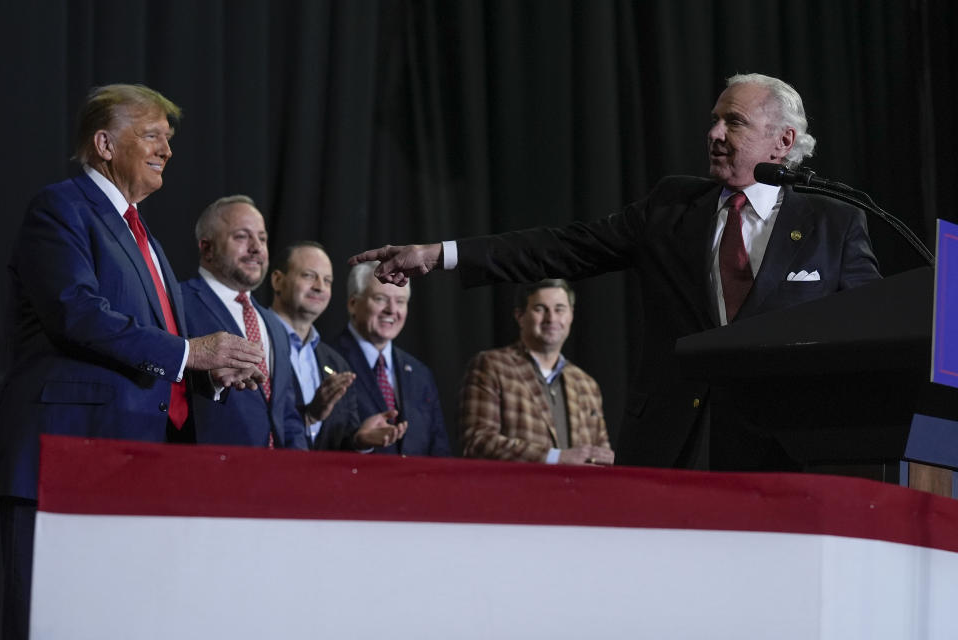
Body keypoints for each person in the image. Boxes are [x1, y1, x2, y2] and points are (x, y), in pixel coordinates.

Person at [350, 73, 882, 471]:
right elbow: (562, 248)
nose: (715, 133)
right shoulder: (673, 207)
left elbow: (867, 334)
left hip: (783, 453)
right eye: (714, 120)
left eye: (734, 122)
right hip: (675, 447)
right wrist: (439, 253)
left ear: (782, 142)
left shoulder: (833, 223)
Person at [0, 85, 264, 640]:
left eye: (168, 141)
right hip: (67, 456)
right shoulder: (62, 207)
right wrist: (191, 352)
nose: (166, 151)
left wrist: (207, 372)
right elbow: (75, 311)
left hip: (139, 463)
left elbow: (163, 347)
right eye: (152, 136)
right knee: (47, 619)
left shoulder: (149, 241)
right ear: (103, 143)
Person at [180, 196, 310, 449]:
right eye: (242, 237)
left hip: (276, 479)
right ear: (207, 248)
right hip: (210, 473)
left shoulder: (274, 324)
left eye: (262, 238)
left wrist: (299, 467)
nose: (256, 248)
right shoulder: (177, 303)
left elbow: (285, 413)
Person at [269, 242, 407, 450]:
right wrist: (309, 415)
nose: (319, 287)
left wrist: (359, 440)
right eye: (308, 275)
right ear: (278, 280)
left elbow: (338, 444)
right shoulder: (255, 339)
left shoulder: (336, 363)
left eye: (327, 280)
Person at [459, 280, 613, 465]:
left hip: (576, 493)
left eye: (560, 309)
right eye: (540, 309)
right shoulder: (492, 366)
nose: (551, 319)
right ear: (519, 316)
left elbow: (603, 455)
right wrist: (556, 458)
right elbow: (477, 442)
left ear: (571, 315)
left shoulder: (586, 384)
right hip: (518, 491)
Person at [330, 261, 451, 456]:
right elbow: (319, 441)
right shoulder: (328, 362)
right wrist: (358, 442)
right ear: (353, 304)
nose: (392, 310)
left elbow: (439, 448)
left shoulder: (420, 373)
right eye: (380, 299)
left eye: (400, 301)